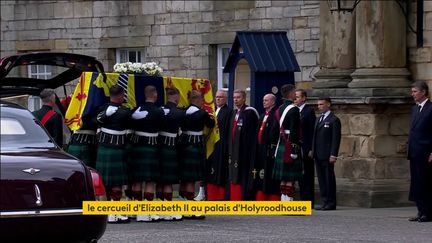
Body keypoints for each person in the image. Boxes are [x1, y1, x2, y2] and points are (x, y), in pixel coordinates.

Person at [95, 85, 131, 223]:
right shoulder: (123, 112)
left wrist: (104, 115)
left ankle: (111, 212)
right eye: (123, 95)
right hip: (116, 149)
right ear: (120, 96)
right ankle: (114, 213)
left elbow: (96, 120)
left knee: (108, 183)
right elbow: (130, 120)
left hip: (104, 149)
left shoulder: (102, 109)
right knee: (115, 183)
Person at [129, 85, 164, 222]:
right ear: (154, 95)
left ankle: (136, 210)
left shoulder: (137, 110)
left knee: (137, 179)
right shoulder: (158, 112)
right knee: (150, 180)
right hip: (151, 147)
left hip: (137, 147)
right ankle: (146, 212)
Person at [179, 90, 215, 216]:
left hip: (183, 144)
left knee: (184, 177)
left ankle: (183, 202)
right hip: (195, 145)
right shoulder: (201, 113)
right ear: (198, 100)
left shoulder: (183, 112)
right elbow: (211, 124)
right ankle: (190, 208)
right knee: (191, 178)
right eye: (201, 100)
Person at [157, 87, 185, 221]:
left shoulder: (159, 110)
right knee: (168, 181)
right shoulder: (179, 113)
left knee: (160, 180)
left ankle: (160, 208)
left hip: (158, 146)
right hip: (171, 147)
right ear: (176, 97)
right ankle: (168, 210)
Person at [407, 81, 432, 223]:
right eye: (412, 91)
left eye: (415, 91)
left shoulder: (431, 108)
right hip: (415, 151)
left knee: (426, 182)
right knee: (416, 183)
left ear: (423, 92)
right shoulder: (415, 109)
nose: (412, 94)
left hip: (426, 152)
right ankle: (420, 210)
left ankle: (428, 212)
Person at [228, 89, 259, 200]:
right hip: (233, 149)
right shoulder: (234, 113)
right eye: (234, 98)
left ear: (244, 98)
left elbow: (252, 134)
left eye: (238, 97)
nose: (235, 100)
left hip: (245, 151)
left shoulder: (249, 113)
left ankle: (244, 198)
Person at [272, 84, 302, 201]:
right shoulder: (294, 109)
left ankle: (283, 199)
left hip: (281, 143)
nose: (295, 94)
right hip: (290, 144)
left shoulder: (279, 109)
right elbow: (295, 130)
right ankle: (288, 201)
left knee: (283, 177)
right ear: (290, 93)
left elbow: (275, 129)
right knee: (290, 177)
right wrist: (294, 148)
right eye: (294, 92)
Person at [312, 97, 341, 210]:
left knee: (329, 179)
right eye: (318, 104)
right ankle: (325, 201)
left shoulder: (334, 120)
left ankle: (331, 202)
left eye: (322, 104)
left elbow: (335, 139)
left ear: (328, 104)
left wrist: (333, 154)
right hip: (318, 154)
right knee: (321, 179)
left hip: (327, 154)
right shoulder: (319, 119)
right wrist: (312, 150)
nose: (319, 106)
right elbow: (314, 136)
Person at [206, 90, 233, 201]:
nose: (218, 99)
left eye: (220, 97)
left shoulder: (229, 112)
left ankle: (220, 196)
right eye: (216, 97)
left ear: (226, 98)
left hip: (222, 145)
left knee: (220, 170)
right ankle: (207, 194)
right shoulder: (213, 110)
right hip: (211, 144)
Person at [252, 93, 280, 201]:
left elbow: (274, 133)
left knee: (269, 175)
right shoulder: (262, 115)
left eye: (266, 100)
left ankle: (272, 198)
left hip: (269, 151)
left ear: (273, 102)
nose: (264, 102)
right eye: (263, 100)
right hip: (261, 150)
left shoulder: (275, 115)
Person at [295, 89, 317, 207]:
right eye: (294, 97)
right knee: (300, 174)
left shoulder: (308, 112)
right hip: (297, 147)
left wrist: (311, 148)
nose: (295, 99)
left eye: (297, 97)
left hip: (306, 147)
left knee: (307, 174)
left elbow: (312, 132)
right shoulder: (295, 111)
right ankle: (302, 198)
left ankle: (308, 201)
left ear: (303, 98)